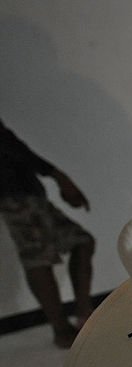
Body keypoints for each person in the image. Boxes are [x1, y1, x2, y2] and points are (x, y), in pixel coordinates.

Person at [0, 118, 96, 348]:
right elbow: (8, 146)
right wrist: (58, 175)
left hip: (27, 192)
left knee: (82, 242)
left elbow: (11, 144)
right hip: (12, 194)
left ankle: (84, 314)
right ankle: (62, 330)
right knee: (38, 259)